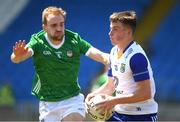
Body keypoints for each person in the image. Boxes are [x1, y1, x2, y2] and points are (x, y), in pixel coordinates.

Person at [11, 6, 109, 121]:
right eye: (54, 25)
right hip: (48, 103)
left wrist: (113, 59)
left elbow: (99, 54)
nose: (59, 28)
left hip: (72, 100)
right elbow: (16, 58)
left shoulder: (74, 40)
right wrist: (17, 56)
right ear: (45, 27)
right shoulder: (38, 41)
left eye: (61, 24)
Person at [85, 11, 158, 121]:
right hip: (119, 113)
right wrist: (93, 95)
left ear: (128, 32)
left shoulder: (136, 57)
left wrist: (113, 101)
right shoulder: (114, 52)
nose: (110, 33)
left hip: (142, 116)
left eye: (115, 29)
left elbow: (145, 93)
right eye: (110, 29)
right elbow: (110, 86)